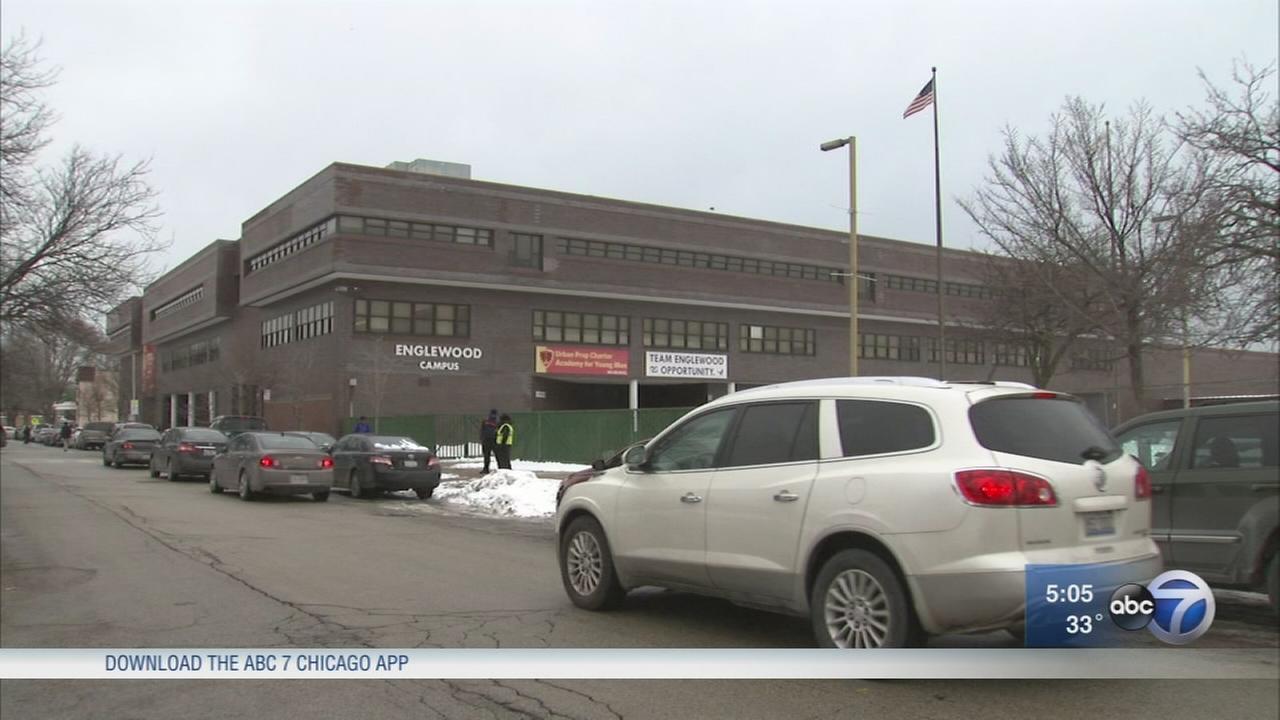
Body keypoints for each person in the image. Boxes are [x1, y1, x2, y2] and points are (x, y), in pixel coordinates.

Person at [479, 409, 499, 474]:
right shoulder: (498, 422)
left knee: (486, 456)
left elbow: (482, 430)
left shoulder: (485, 421)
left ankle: (486, 469)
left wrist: (482, 438)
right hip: (494, 441)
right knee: (498, 455)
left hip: (486, 441)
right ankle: (500, 468)